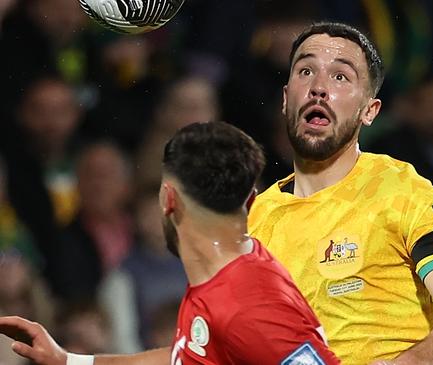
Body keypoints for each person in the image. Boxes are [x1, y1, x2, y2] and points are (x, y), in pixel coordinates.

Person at [249, 22, 433, 364]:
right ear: (286, 98)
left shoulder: (402, 191)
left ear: (370, 111)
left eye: (340, 77)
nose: (318, 88)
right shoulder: (255, 221)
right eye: (306, 71)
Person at [0, 121, 339, 365]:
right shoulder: (223, 276)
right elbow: (186, 353)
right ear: (250, 201)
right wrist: (70, 361)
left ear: (168, 200)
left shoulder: (248, 307)